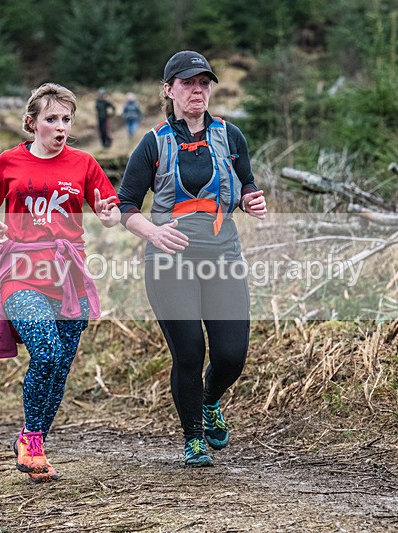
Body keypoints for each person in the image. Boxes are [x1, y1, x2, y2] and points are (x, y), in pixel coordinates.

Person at [118, 51, 267, 467]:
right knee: (188, 353)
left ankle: (208, 400)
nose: (197, 90)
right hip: (170, 261)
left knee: (231, 356)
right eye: (187, 83)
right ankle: (194, 439)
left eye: (204, 82)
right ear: (169, 90)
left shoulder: (230, 137)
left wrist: (251, 200)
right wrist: (152, 231)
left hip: (222, 255)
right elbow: (125, 205)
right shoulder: (153, 143)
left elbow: (247, 186)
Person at [0, 83, 120, 483]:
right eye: (51, 119)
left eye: (66, 120)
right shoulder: (8, 162)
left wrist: (108, 213)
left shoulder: (85, 163)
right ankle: (33, 441)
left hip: (69, 278)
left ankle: (31, 438)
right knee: (48, 351)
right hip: (22, 273)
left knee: (60, 369)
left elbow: (109, 213)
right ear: (31, 122)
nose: (60, 127)